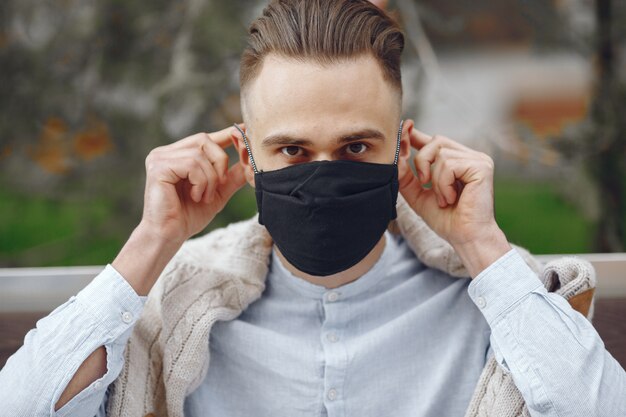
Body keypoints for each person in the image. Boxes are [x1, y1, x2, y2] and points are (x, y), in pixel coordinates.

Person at [1, 0, 625, 416]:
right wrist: (150, 243)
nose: (325, 173)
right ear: (246, 157)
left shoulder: (497, 298)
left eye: (356, 146)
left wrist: (484, 247)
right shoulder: (177, 298)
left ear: (403, 148)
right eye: (292, 149)